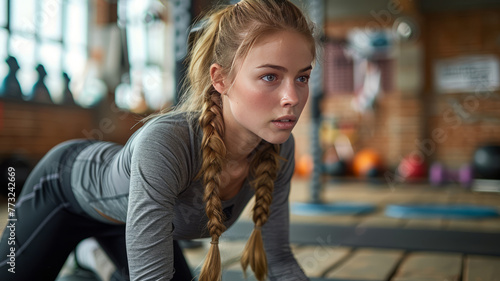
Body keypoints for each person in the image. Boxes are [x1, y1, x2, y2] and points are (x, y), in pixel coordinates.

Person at [0, 0, 316, 280]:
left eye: (302, 77)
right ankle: (89, 252)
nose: (292, 97)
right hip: (63, 193)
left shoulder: (280, 150)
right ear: (221, 79)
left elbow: (281, 261)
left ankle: (93, 258)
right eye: (270, 77)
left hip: (131, 218)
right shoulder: (168, 143)